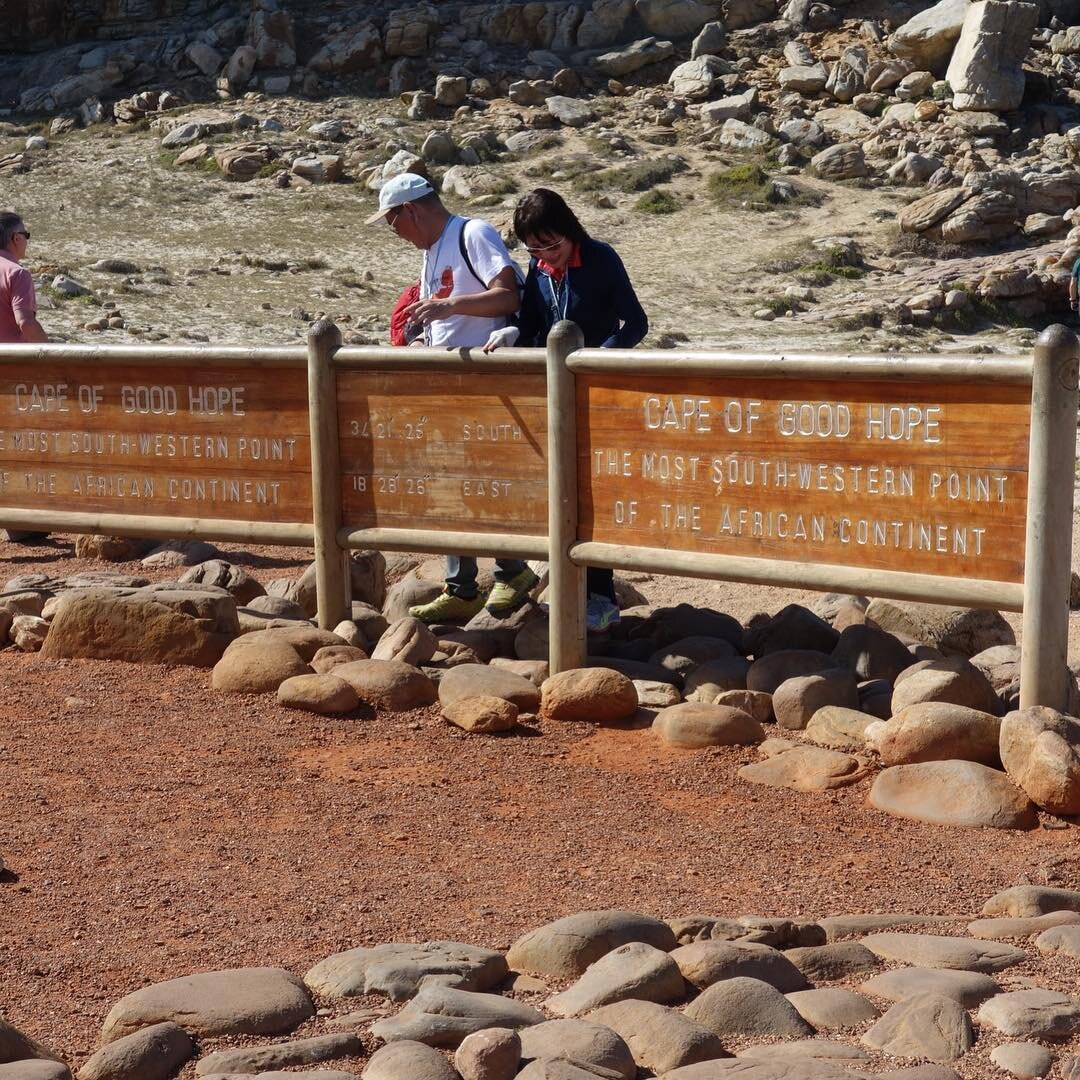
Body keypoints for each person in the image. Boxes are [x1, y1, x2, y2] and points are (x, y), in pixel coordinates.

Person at [367, 173, 538, 623]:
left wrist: (450, 306)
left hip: (485, 382)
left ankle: (512, 571)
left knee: (486, 482)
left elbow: (509, 295)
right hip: (448, 384)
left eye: (392, 222)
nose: (394, 232)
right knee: (448, 483)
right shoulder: (431, 251)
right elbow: (439, 319)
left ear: (412, 210)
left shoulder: (472, 233)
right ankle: (462, 586)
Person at [484, 187, 648, 632]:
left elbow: (635, 322)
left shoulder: (601, 259)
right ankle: (557, 583)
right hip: (551, 398)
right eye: (534, 248)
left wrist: (600, 359)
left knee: (590, 494)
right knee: (555, 492)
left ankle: (600, 596)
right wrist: (513, 334)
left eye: (551, 245)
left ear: (571, 232)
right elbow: (532, 323)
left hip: (595, 395)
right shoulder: (537, 270)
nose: (544, 256)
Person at [0, 212, 47, 344]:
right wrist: (48, 354)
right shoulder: (17, 273)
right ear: (16, 238)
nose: (27, 241)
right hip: (9, 359)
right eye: (26, 235)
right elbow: (25, 322)